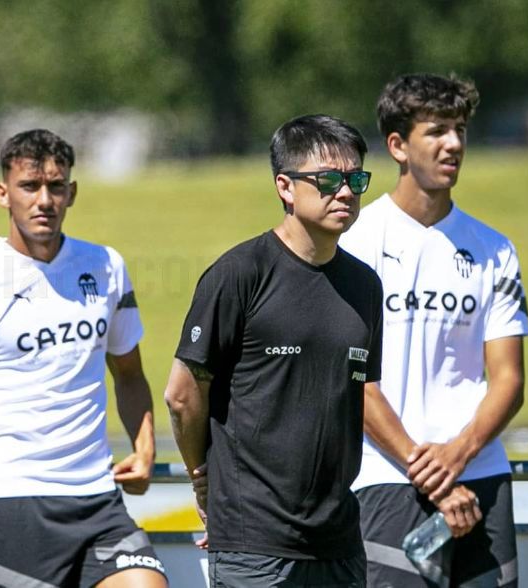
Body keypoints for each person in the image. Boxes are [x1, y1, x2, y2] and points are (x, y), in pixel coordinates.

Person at [0, 129, 168, 588]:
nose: (44, 200)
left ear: (72, 192)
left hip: (97, 500)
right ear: (3, 194)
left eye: (56, 187)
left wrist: (144, 444)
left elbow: (130, 374)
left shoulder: (106, 267)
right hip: (11, 501)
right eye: (29, 187)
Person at [164, 114, 384, 587]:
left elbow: (355, 398)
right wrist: (202, 474)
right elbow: (182, 395)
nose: (345, 192)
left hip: (340, 542)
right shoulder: (239, 274)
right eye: (328, 180)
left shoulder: (365, 285)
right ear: (285, 186)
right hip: (254, 544)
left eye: (356, 180)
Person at [339, 74, 528, 587]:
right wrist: (427, 470)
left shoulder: (494, 248)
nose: (454, 144)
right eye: (437, 130)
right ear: (398, 146)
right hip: (385, 476)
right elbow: (353, 379)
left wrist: (460, 454)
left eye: (461, 129)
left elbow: (508, 379)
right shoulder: (355, 242)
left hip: (480, 472)